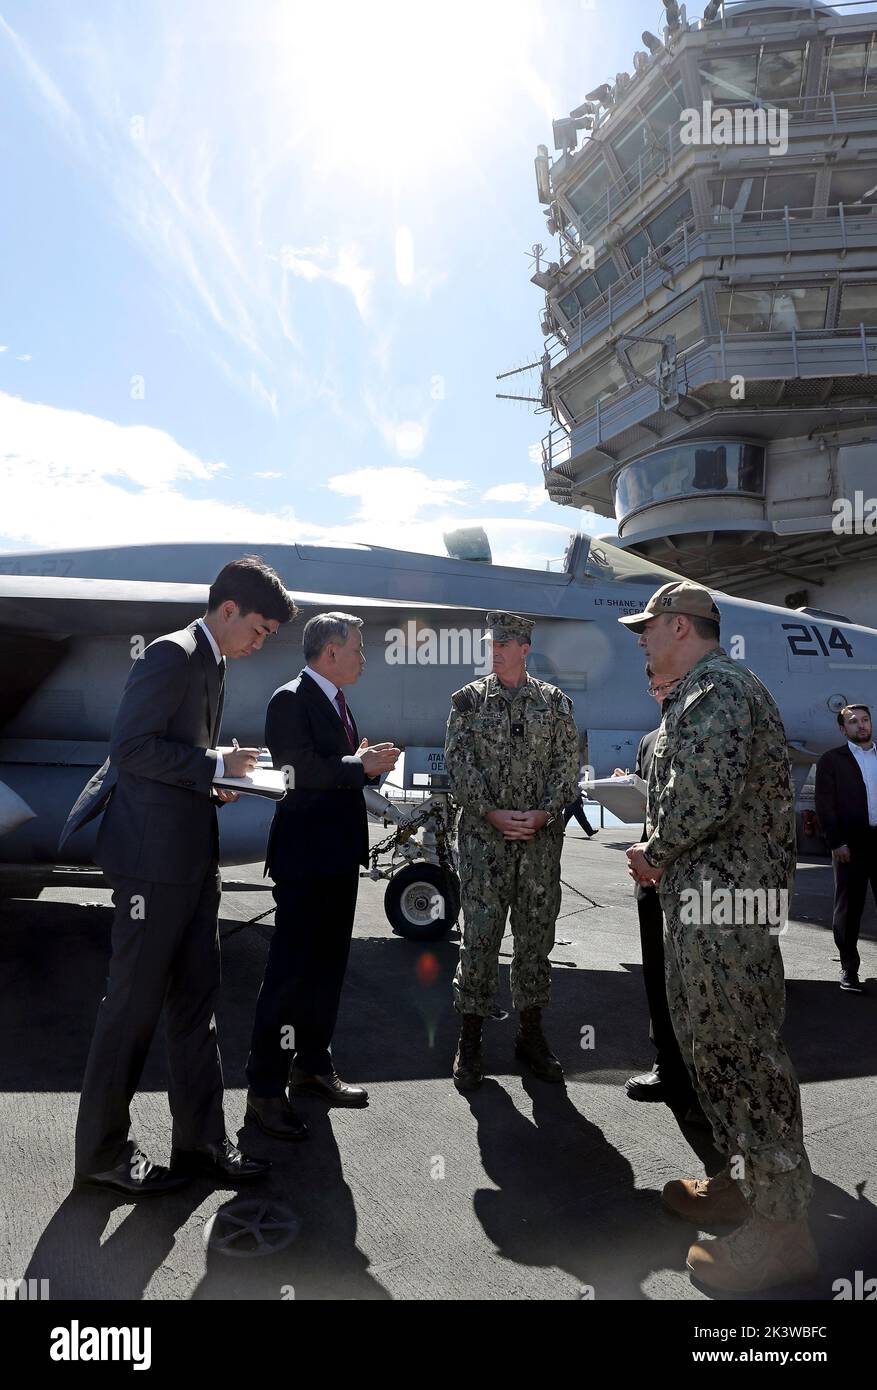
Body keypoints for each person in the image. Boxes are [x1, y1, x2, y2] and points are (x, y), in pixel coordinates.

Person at [60, 556, 297, 1196]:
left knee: (197, 1005)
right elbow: (131, 749)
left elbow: (176, 759)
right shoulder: (171, 654)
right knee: (131, 1009)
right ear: (227, 610)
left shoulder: (213, 661)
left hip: (191, 858)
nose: (261, 641)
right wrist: (213, 763)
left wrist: (217, 778)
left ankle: (200, 1146)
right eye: (260, 628)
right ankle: (103, 1154)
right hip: (151, 865)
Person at [619, 580, 816, 1294]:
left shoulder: (719, 688)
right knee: (713, 1056)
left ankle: (782, 1232)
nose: (640, 638)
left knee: (745, 1059)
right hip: (704, 911)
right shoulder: (694, 695)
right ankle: (738, 1188)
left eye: (648, 627)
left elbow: (701, 795)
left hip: (726, 912)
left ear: (678, 625)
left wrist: (655, 852)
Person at [245, 612, 400, 1135]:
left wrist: (362, 758)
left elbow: (329, 763)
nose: (363, 657)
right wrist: (363, 767)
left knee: (327, 971)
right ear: (330, 651)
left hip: (335, 858)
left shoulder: (336, 699)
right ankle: (264, 1092)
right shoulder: (289, 699)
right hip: (306, 862)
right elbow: (298, 772)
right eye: (358, 647)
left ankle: (311, 1066)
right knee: (289, 978)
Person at [444, 611, 579, 1091]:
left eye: (506, 642)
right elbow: (458, 768)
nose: (496, 649)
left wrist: (543, 813)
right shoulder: (468, 703)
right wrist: (492, 812)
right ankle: (471, 1039)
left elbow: (568, 767)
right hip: (484, 844)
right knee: (479, 938)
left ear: (525, 648)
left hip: (539, 846)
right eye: (492, 643)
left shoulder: (556, 704)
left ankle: (531, 1035)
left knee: (535, 941)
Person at [623, 667, 699, 1115]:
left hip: (689, 877)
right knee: (656, 973)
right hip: (651, 878)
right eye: (655, 687)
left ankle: (698, 1084)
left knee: (693, 980)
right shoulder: (650, 741)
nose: (661, 692)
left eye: (669, 685)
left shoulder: (700, 732)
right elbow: (646, 799)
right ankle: (667, 1065)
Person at [815, 703, 877, 994]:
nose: (861, 725)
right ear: (843, 729)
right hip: (850, 845)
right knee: (849, 909)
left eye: (865, 720)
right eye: (853, 722)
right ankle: (849, 969)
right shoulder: (831, 760)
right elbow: (825, 805)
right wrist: (836, 841)